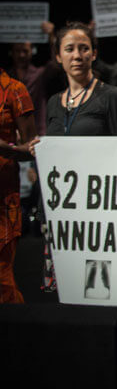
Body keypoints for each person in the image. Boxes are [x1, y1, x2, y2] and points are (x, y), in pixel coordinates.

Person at [32, 22, 117, 292]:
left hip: (98, 212)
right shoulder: (54, 102)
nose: (77, 55)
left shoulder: (112, 97)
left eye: (83, 49)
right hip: (59, 210)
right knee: (63, 296)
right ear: (58, 56)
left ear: (94, 54)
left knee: (96, 292)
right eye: (69, 49)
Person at [0, 67, 35, 303]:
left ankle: (15, 337)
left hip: (2, 197)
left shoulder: (14, 90)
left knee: (2, 277)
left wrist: (4, 148)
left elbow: (32, 148)